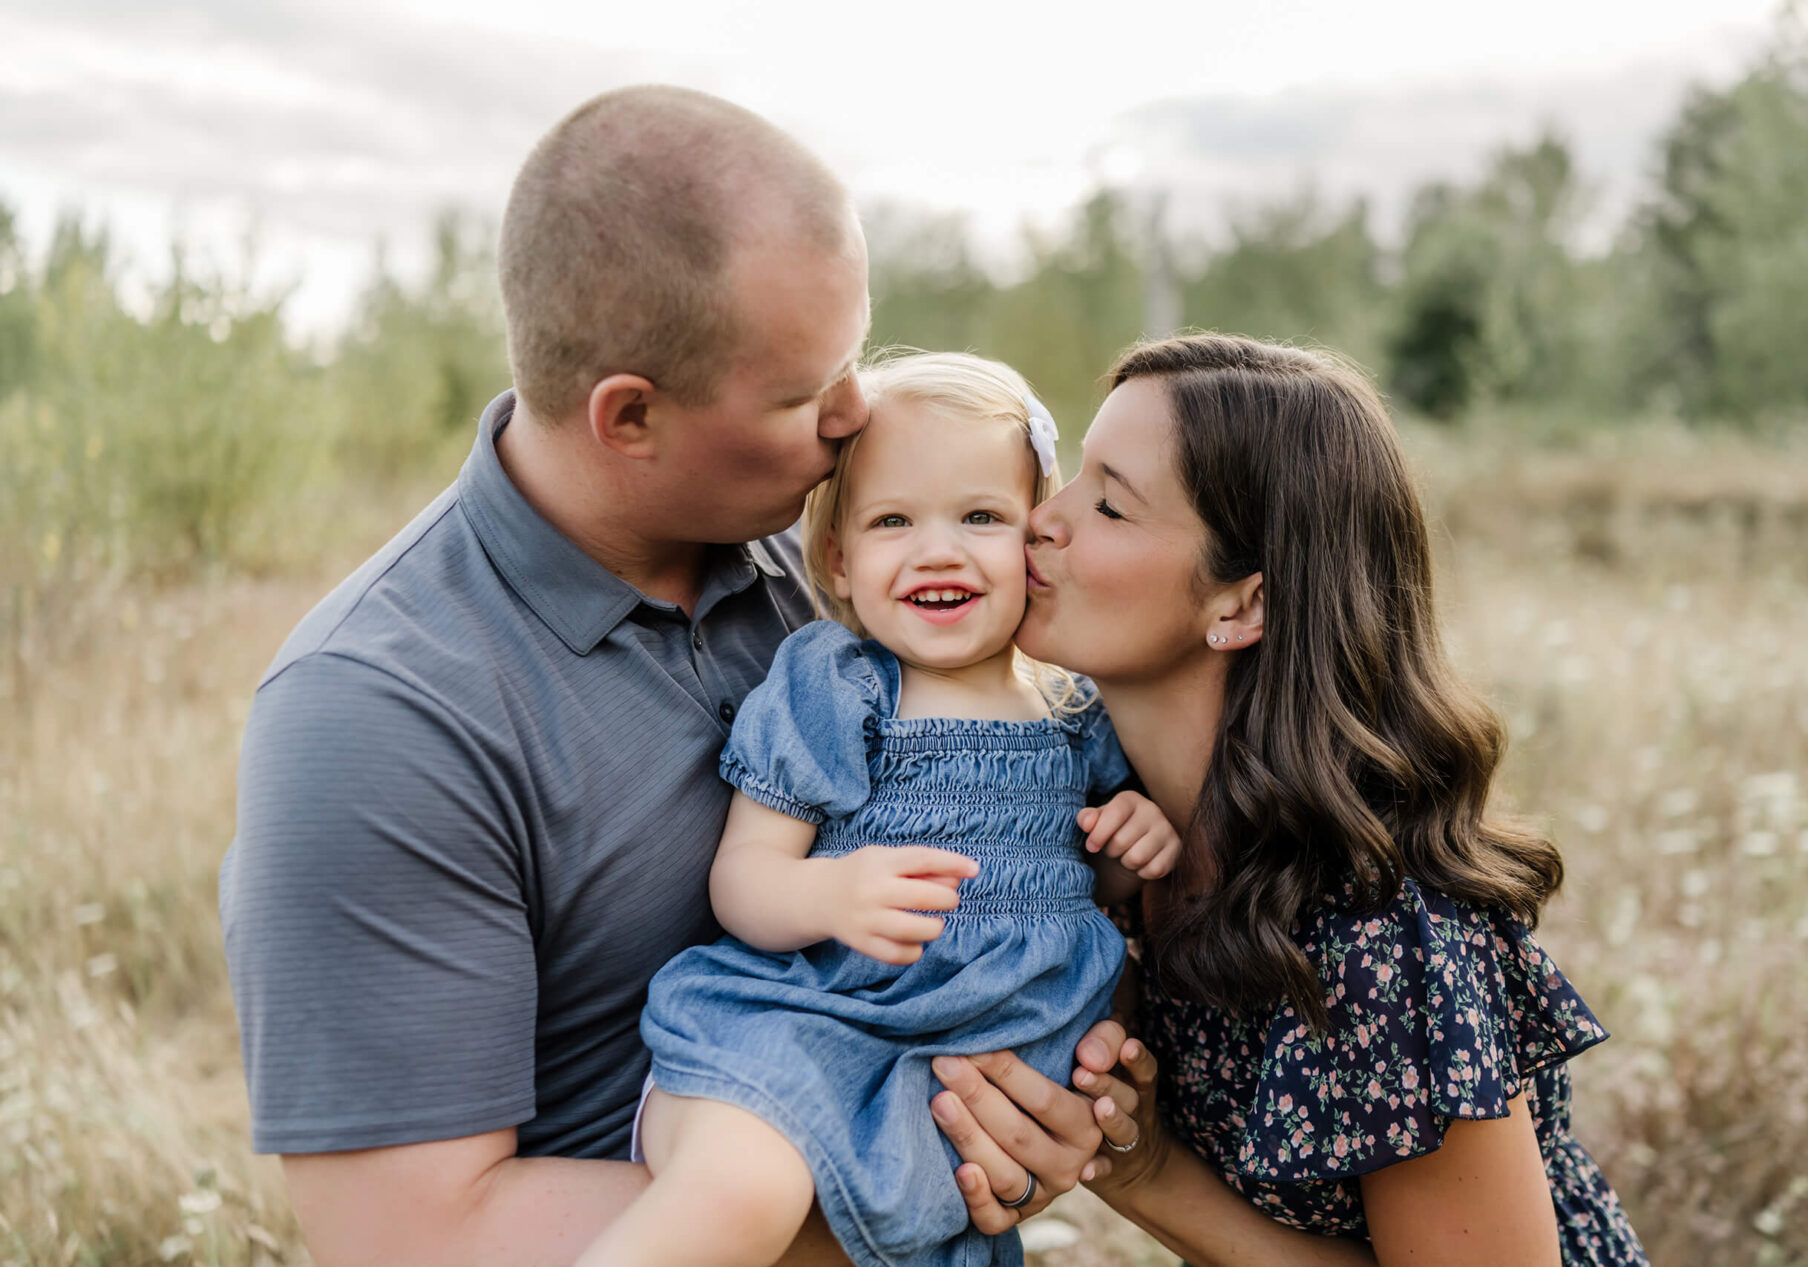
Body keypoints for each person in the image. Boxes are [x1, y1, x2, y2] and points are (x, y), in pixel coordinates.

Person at [218, 88, 1106, 1267]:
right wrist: (911, 1187)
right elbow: (409, 1239)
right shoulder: (378, 714)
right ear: (628, 416)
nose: (856, 419)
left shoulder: (843, 571)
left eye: (855, 356)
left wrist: (1061, 1101)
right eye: (805, 392)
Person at [937, 334, 1649, 1265]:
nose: (1040, 520)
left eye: (1109, 503)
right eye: (1070, 478)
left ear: (1240, 605)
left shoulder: (1378, 934)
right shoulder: (1093, 820)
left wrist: (1146, 1171)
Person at [576, 352, 1182, 1267]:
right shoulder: (843, 687)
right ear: (840, 559)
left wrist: (1131, 843)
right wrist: (828, 896)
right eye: (894, 520)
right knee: (743, 1192)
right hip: (816, 1025)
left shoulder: (1073, 708)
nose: (938, 549)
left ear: (1037, 540)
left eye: (981, 516)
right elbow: (744, 877)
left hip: (965, 1066)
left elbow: (1085, 878)